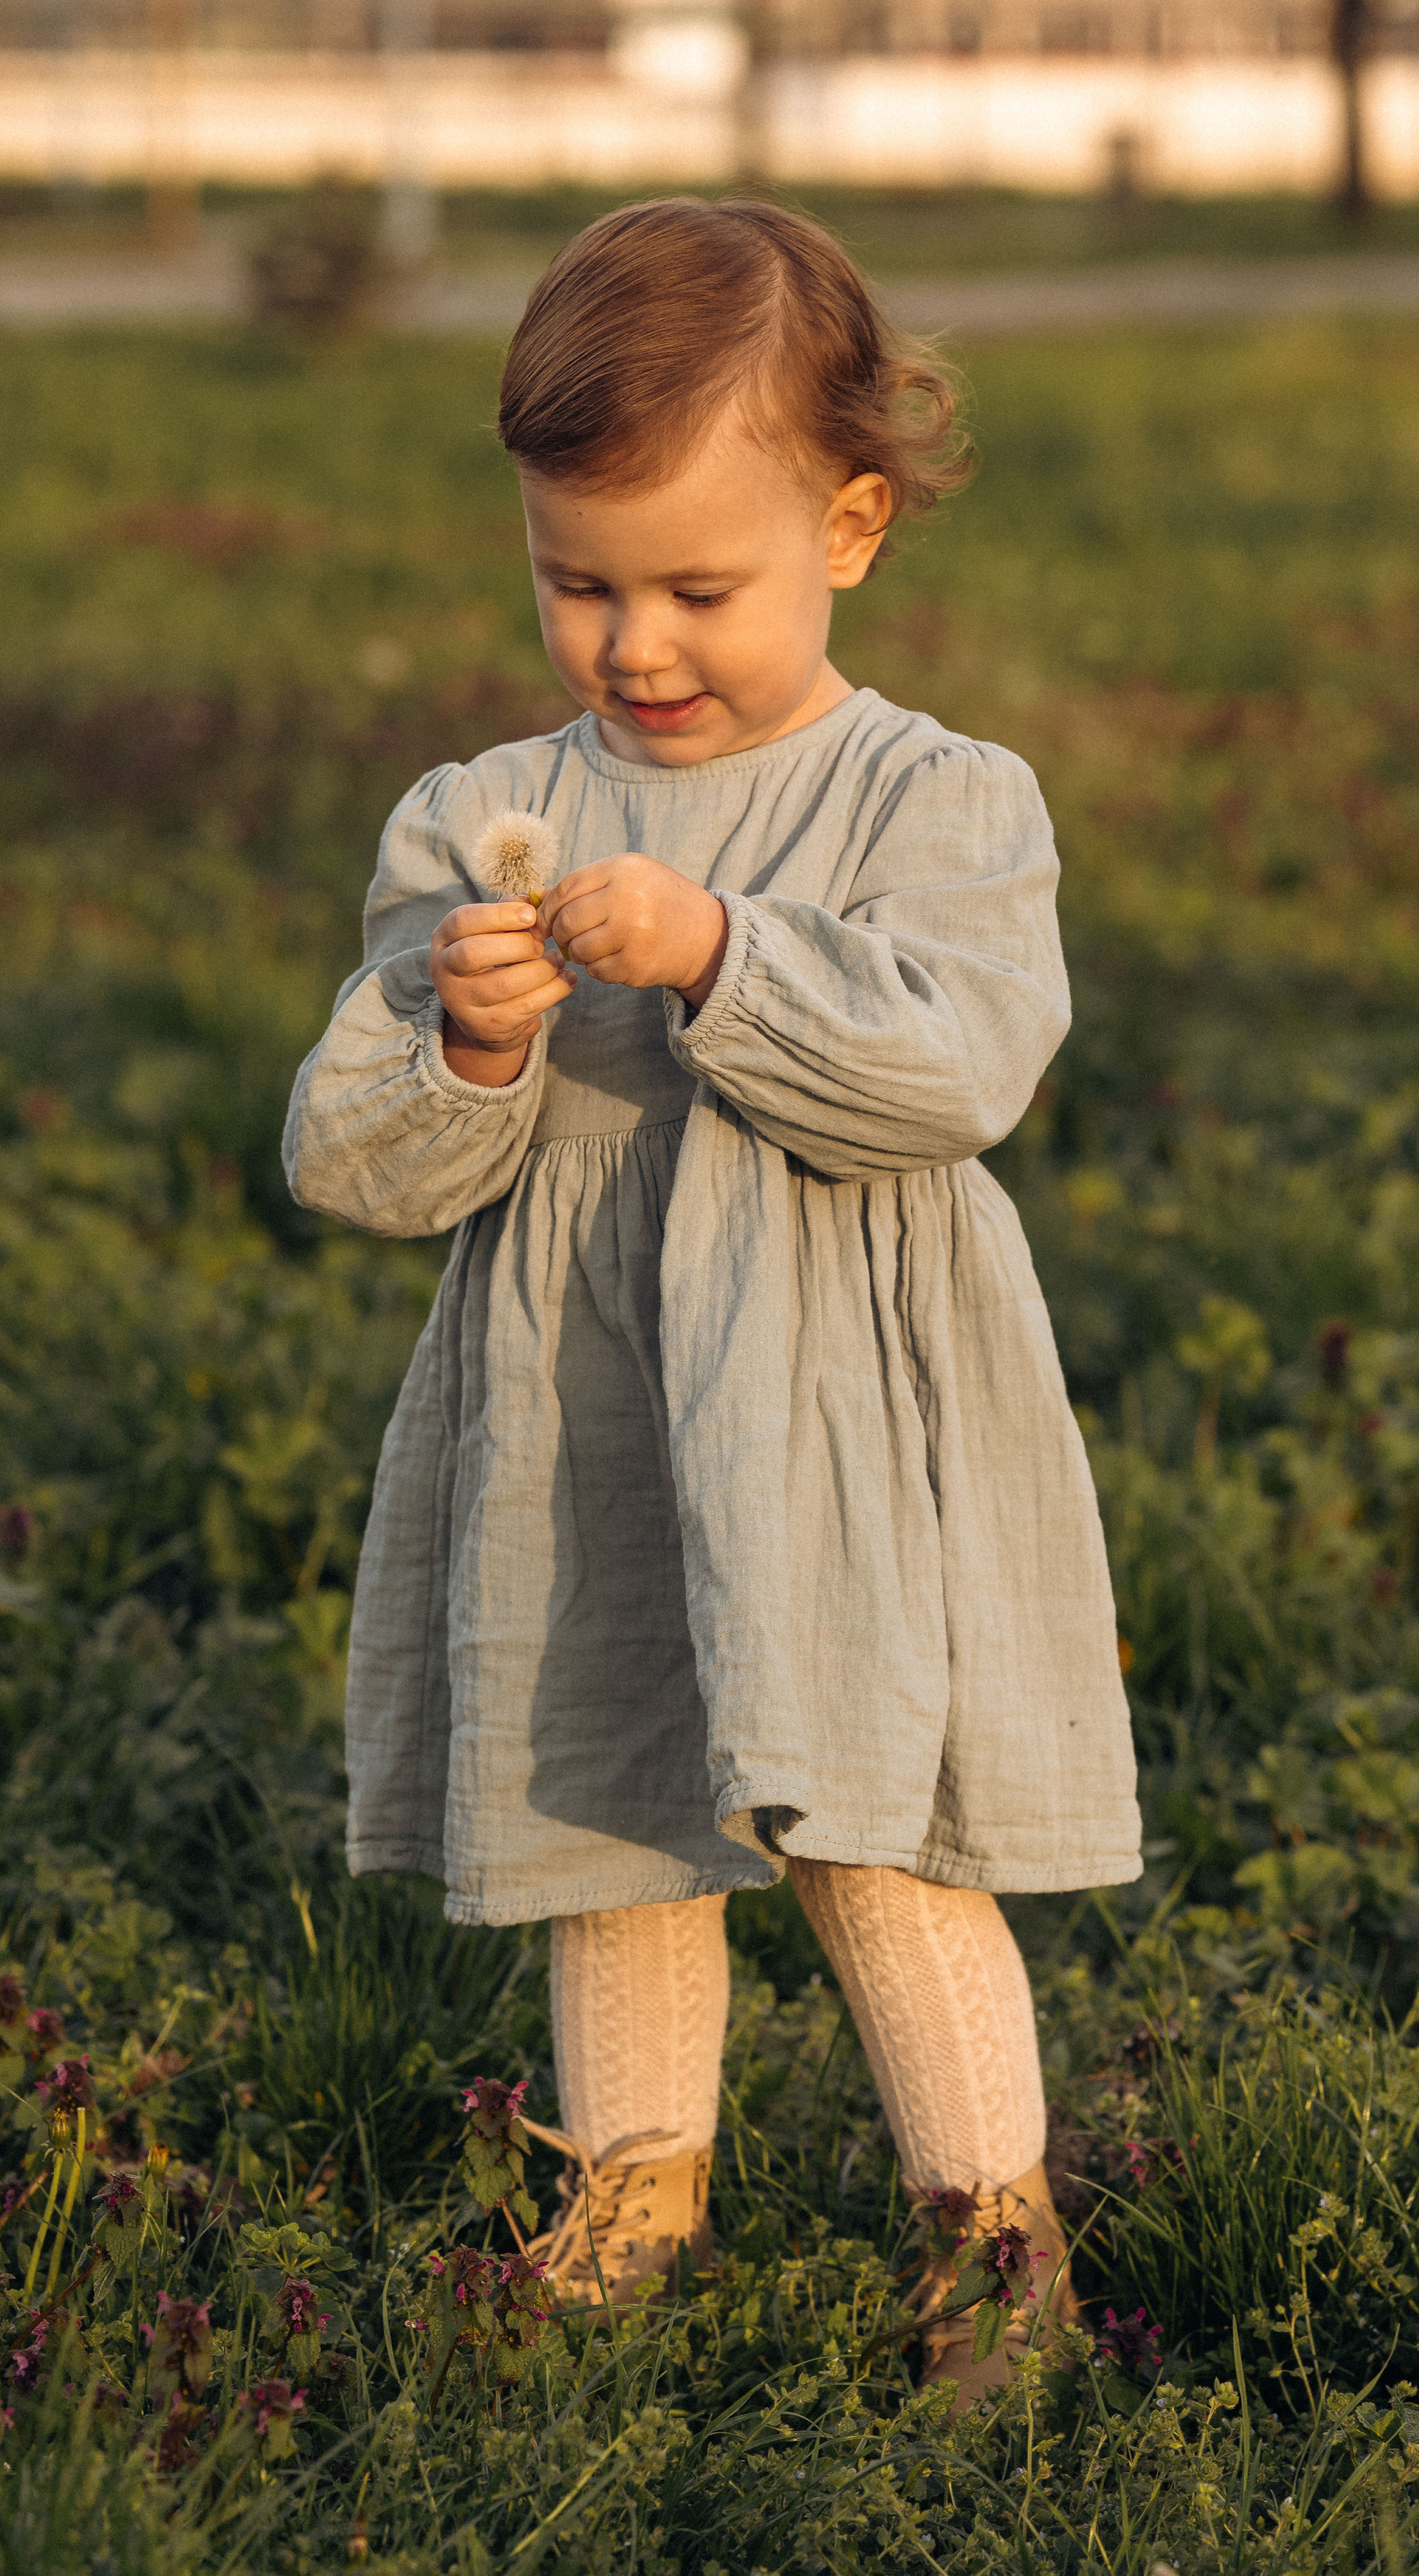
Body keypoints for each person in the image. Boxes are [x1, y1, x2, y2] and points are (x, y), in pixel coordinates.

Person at [282, 196, 1141, 2405]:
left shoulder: (935, 803)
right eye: (579, 582)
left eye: (696, 588)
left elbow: (961, 1068)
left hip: (836, 1407)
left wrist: (724, 954)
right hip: (585, 1405)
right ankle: (633, 2197)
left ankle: (991, 2234)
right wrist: (474, 1045)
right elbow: (358, 1166)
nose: (635, 643)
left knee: (866, 1816)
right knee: (608, 1796)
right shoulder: (486, 818)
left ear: (848, 528)